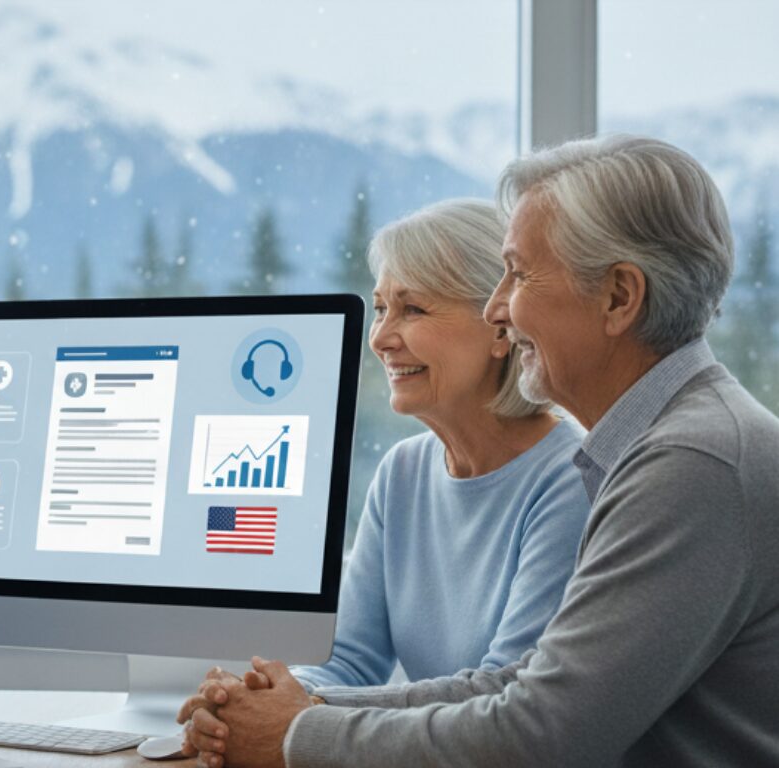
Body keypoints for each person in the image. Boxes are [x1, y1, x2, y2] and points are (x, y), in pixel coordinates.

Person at [181, 135, 779, 767]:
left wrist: (293, 735)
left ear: (618, 297)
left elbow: (538, 734)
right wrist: (300, 712)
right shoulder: (671, 446)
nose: (499, 308)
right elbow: (521, 687)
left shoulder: (693, 464)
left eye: (518, 274)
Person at [288, 199, 588, 697]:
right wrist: (267, 698)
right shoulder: (401, 472)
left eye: (412, 309)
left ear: (501, 326)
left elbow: (503, 693)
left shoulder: (571, 480)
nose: (380, 338)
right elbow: (348, 661)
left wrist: (298, 710)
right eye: (380, 309)